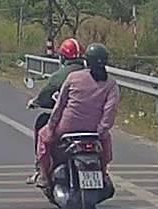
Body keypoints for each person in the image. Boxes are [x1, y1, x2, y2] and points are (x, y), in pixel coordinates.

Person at [35, 43, 120, 188]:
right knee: (105, 148)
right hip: (94, 131)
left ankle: (43, 175)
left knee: (43, 137)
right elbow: (110, 110)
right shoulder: (111, 84)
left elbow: (60, 105)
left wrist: (51, 127)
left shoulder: (73, 78)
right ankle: (103, 172)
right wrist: (101, 130)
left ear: (86, 61)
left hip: (67, 127)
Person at [26, 38, 85, 184]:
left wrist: (36, 102)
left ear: (63, 57)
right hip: (91, 123)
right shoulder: (91, 75)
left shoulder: (62, 76)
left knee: (43, 129)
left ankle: (42, 171)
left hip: (67, 122)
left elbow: (46, 94)